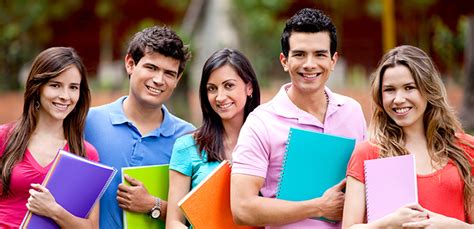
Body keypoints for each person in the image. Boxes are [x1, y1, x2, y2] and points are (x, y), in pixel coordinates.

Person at [230, 8, 367, 228]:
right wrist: (318, 207)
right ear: (284, 61)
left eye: (320, 54)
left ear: (333, 60)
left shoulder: (352, 111)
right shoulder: (261, 123)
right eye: (300, 54)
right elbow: (242, 209)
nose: (310, 64)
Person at [342, 45, 474, 228]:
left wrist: (452, 226)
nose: (398, 99)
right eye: (389, 90)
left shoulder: (466, 148)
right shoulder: (367, 153)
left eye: (409, 87)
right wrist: (388, 223)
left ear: (429, 89)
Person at [84, 25, 195, 229]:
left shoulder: (189, 138)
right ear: (130, 64)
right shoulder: (87, 122)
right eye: (151, 68)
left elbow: (196, 217)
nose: (158, 80)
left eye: (169, 73)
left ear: (178, 79)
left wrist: (154, 205)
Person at [0, 47, 99, 228]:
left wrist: (53, 210)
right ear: (38, 88)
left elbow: (91, 227)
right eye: (55, 85)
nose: (65, 96)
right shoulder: (3, 138)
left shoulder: (86, 153)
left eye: (73, 88)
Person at [166, 48, 261, 228]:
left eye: (229, 85)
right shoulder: (187, 146)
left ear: (249, 87)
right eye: (212, 89)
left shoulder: (268, 143)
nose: (220, 97)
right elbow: (173, 222)